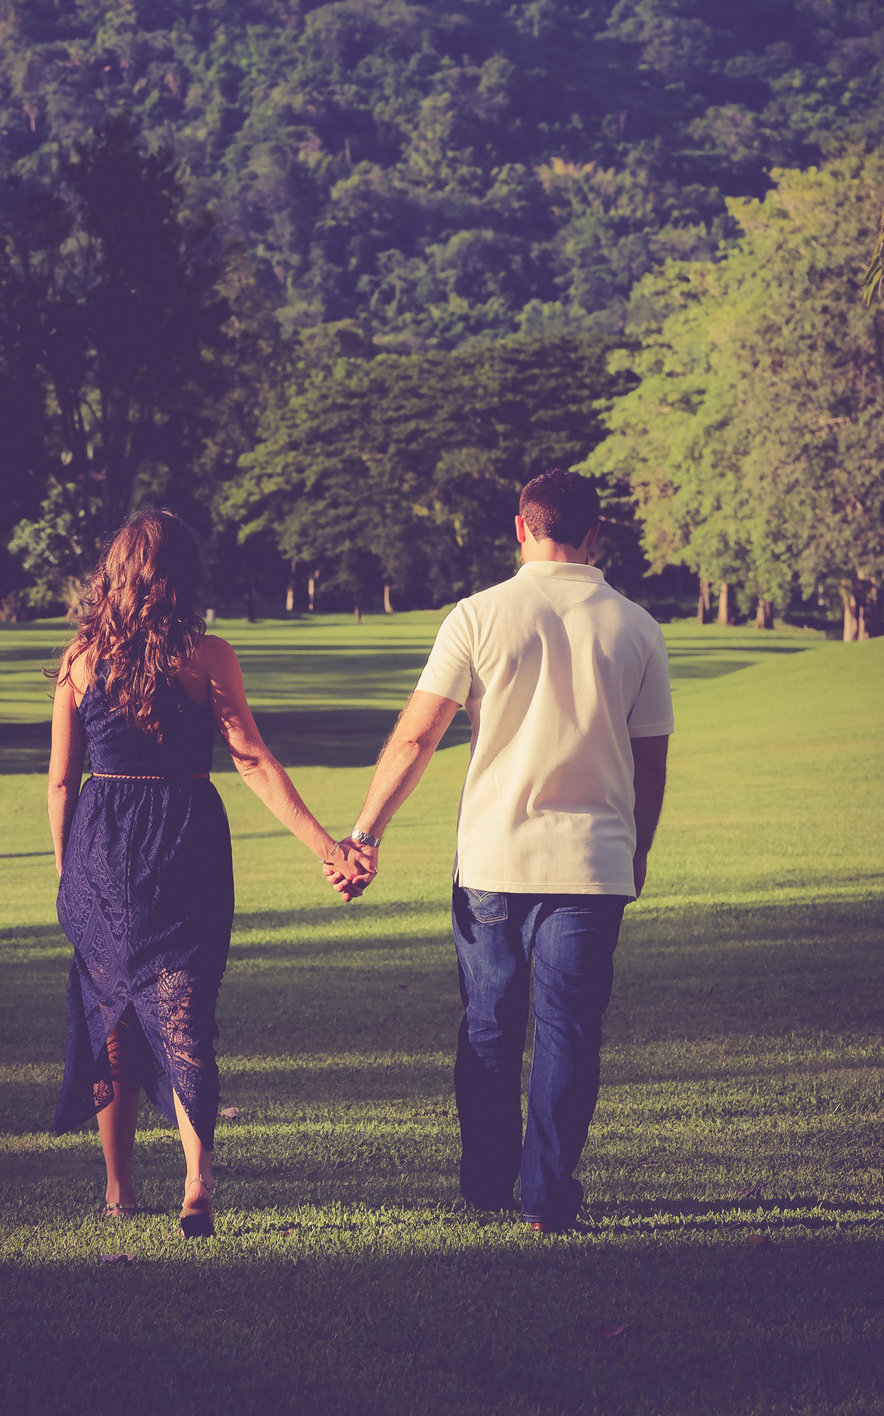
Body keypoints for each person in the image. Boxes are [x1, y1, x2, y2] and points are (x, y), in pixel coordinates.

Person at [327, 468, 672, 1232]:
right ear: (596, 531)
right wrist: (637, 852)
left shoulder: (477, 616)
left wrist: (365, 834)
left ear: (521, 528)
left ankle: (487, 1185)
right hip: (594, 863)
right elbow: (651, 764)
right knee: (569, 1029)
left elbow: (418, 736)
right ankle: (547, 1199)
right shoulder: (637, 626)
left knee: (490, 1026)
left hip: (491, 862)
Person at [48, 509, 372, 1238]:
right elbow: (252, 761)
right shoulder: (208, 656)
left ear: (115, 574)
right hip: (186, 834)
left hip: (101, 842)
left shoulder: (80, 660)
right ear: (184, 577)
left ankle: (118, 1191)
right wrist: (329, 848)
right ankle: (196, 1178)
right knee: (184, 1006)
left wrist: (71, 873)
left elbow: (61, 784)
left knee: (112, 1016)